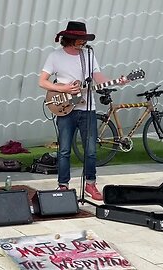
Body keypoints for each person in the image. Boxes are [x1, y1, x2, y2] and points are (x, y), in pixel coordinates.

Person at [38, 21, 128, 201]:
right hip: (65, 108)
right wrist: (64, 89)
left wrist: (117, 80)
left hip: (87, 108)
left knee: (91, 149)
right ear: (70, 39)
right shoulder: (55, 56)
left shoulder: (88, 54)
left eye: (84, 39)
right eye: (80, 39)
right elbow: (42, 81)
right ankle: (63, 185)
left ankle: (90, 184)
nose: (83, 42)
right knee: (64, 150)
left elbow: (98, 77)